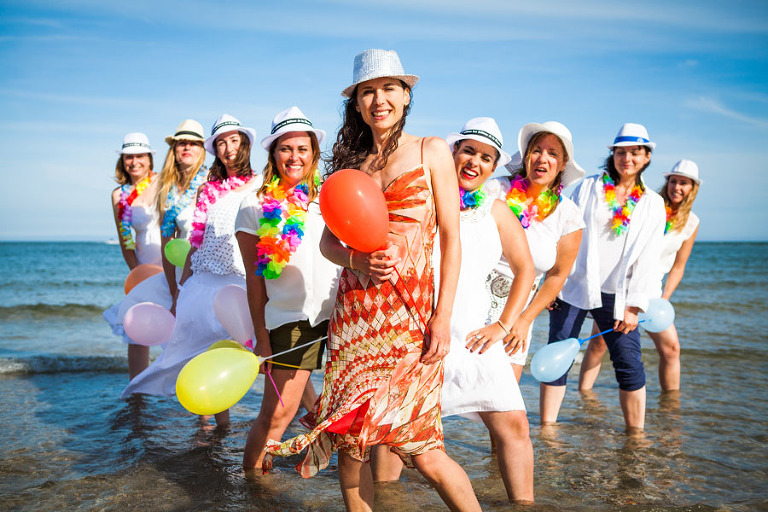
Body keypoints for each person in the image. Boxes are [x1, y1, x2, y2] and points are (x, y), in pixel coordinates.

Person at [266, 49, 481, 512]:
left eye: (388, 88)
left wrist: (442, 318)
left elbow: (451, 238)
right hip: (355, 319)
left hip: (412, 317)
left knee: (423, 446)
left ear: (406, 95)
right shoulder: (350, 163)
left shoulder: (432, 150)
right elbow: (328, 245)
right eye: (368, 91)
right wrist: (357, 261)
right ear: (357, 103)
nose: (378, 99)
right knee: (350, 444)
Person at [121, 115, 261, 427]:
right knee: (201, 354)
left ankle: (295, 414)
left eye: (233, 140)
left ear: (246, 143)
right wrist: (182, 287)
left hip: (241, 283)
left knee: (259, 352)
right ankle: (217, 427)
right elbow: (195, 241)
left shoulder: (261, 185)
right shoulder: (206, 190)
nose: (227, 148)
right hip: (202, 282)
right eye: (221, 143)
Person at [540, 123, 666, 431]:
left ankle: (635, 436)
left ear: (646, 157)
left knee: (628, 362)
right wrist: (552, 281)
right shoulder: (589, 187)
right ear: (613, 155)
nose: (627, 158)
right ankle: (547, 428)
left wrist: (634, 305)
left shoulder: (652, 202)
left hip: (619, 294)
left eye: (635, 152)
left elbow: (649, 258)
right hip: (575, 283)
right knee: (560, 350)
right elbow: (563, 229)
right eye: (621, 152)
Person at [235, 107, 340, 471]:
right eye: (285, 149)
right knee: (278, 414)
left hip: (338, 316)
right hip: (290, 320)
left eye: (302, 149)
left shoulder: (327, 200)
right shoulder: (254, 206)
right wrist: (260, 337)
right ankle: (252, 486)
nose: (294, 157)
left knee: (336, 407)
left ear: (313, 154)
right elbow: (253, 277)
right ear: (273, 154)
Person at [439, 118, 536, 501]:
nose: (474, 162)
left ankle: (524, 507)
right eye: (468, 151)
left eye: (485, 157)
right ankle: (390, 498)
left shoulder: (495, 210)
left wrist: (504, 323)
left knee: (514, 423)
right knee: (402, 434)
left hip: (477, 339)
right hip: (425, 334)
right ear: (453, 153)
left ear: (493, 168)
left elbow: (526, 268)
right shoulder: (429, 200)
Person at [578, 159, 701, 393]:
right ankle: (585, 396)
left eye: (683, 183)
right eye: (673, 181)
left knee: (671, 349)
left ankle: (670, 404)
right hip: (622, 284)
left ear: (692, 188)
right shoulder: (645, 203)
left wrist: (665, 297)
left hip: (653, 291)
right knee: (599, 342)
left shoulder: (691, 222)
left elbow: (678, 266)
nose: (677, 187)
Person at [484, 121, 586, 382]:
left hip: (517, 320)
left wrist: (525, 320)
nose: (543, 159)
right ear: (526, 156)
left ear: (563, 163)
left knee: (504, 407)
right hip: (473, 306)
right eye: (537, 150)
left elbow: (557, 276)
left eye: (553, 153)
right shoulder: (496, 190)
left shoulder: (569, 216)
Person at [107, 132, 161, 378]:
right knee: (138, 332)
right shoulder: (119, 195)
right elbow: (125, 240)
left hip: (174, 265)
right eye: (129, 157)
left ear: (149, 159)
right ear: (123, 161)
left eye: (140, 156)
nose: (134, 162)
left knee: (185, 327)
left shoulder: (164, 182)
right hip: (144, 269)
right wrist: (136, 273)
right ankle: (137, 394)